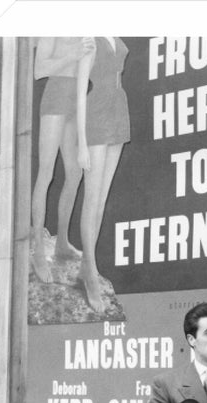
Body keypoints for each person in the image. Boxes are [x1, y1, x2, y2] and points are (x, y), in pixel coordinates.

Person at [31, 37, 94, 283]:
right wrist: (73, 55)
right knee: (46, 172)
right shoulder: (53, 29)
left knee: (75, 173)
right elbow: (39, 70)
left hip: (78, 99)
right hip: (56, 96)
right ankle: (38, 250)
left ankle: (62, 243)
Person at [76, 37, 130, 314]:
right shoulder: (90, 37)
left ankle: (87, 265)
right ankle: (91, 273)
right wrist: (82, 143)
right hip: (97, 112)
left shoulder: (116, 36)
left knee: (101, 200)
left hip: (118, 109)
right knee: (91, 199)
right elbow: (80, 90)